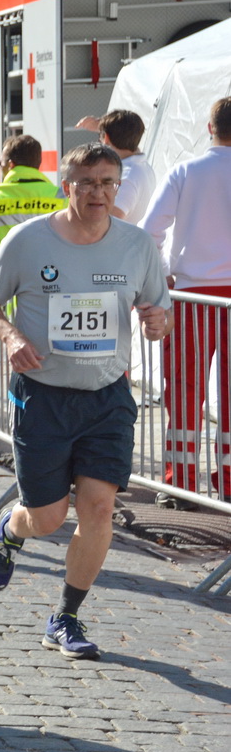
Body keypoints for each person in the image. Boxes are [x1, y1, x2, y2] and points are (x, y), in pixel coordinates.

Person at [0, 145, 171, 660]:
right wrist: (11, 336)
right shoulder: (28, 240)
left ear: (118, 186)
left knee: (99, 507)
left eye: (108, 182)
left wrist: (157, 322)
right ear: (67, 185)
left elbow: (159, 308)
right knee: (47, 518)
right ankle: (11, 529)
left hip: (107, 397)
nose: (98, 192)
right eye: (87, 182)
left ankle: (65, 617)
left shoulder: (136, 245)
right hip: (43, 397)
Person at [138, 96, 231, 495]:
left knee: (184, 388)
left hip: (193, 297)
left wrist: (163, 279)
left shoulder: (185, 171)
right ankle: (228, 480)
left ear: (210, 128)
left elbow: (148, 233)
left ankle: (182, 482)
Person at [0, 134, 62, 261]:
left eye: (0, 163)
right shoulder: (61, 196)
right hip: (51, 276)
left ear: (10, 165)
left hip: (4, 277)